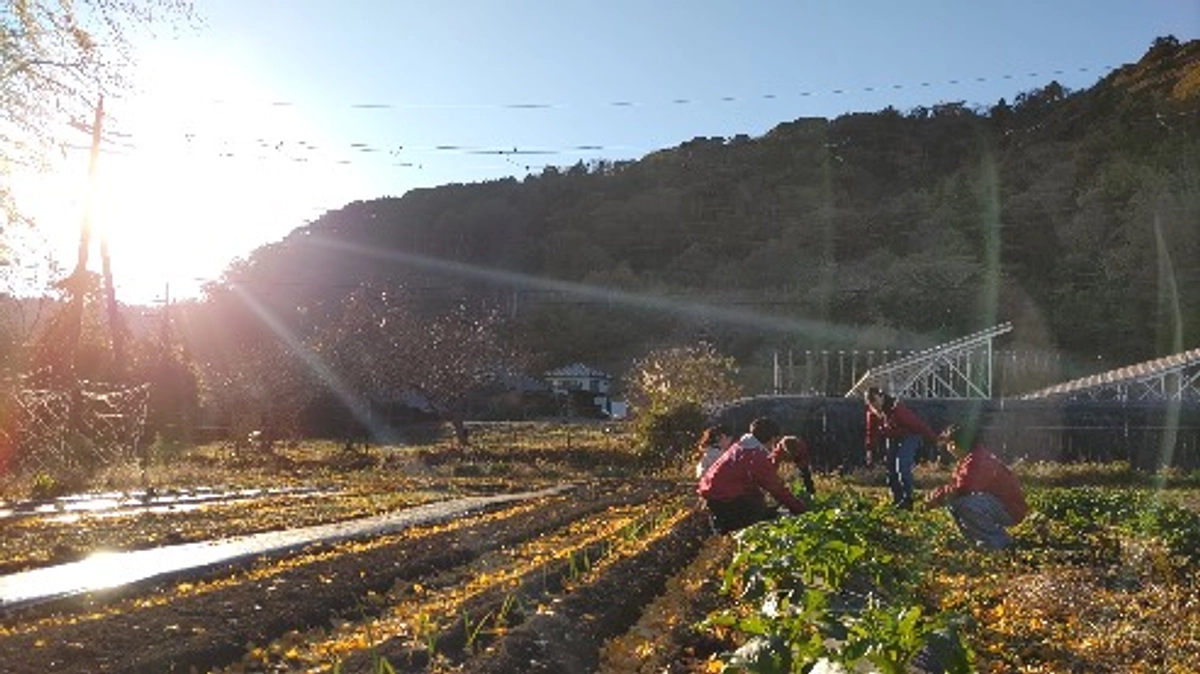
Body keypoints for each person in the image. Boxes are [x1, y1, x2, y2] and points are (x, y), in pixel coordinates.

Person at [924, 424, 1028, 550]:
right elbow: (958, 486)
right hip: (1002, 505)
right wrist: (940, 495)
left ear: (955, 444)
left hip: (1011, 509)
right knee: (955, 503)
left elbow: (964, 488)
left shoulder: (977, 460)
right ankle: (978, 541)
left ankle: (999, 543)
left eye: (948, 444)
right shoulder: (970, 457)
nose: (948, 449)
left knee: (964, 503)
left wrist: (936, 497)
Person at [697, 417, 809, 534]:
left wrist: (776, 458)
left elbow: (764, 475)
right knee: (759, 506)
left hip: (712, 496)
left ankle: (725, 527)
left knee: (757, 497)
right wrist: (801, 510)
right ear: (772, 438)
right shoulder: (755, 456)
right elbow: (776, 488)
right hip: (725, 499)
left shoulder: (742, 446)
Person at [863, 386, 939, 509]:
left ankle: (908, 498)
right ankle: (897, 498)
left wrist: (934, 439)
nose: (875, 406)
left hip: (910, 435)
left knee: (902, 465)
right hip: (892, 437)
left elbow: (918, 425)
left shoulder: (897, 409)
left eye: (876, 402)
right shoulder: (872, 413)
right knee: (890, 468)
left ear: (882, 398)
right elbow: (871, 433)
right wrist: (869, 451)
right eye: (871, 404)